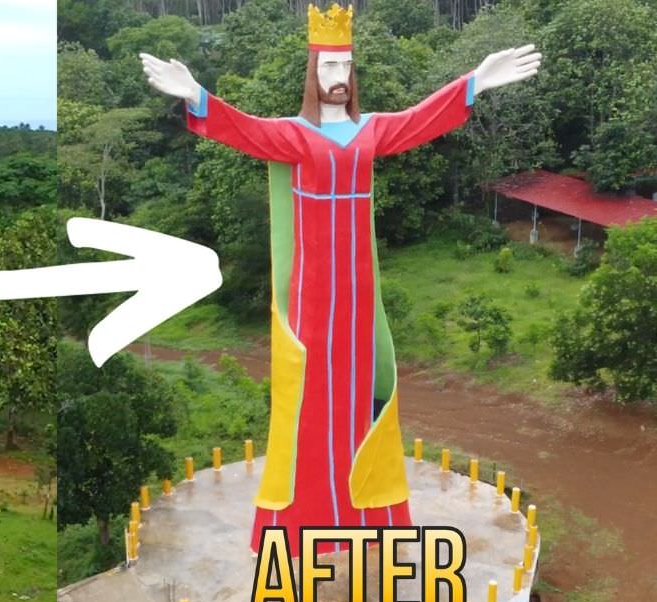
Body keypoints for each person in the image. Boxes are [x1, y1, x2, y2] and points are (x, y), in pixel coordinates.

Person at [141, 2, 541, 557]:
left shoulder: (370, 134)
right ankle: (303, 518)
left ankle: (367, 508)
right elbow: (246, 131)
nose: (337, 79)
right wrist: (196, 95)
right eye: (327, 68)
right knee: (307, 403)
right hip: (311, 303)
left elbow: (419, 119)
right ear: (312, 74)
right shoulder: (296, 138)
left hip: (357, 304)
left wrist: (474, 82)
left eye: (345, 67)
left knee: (360, 399)